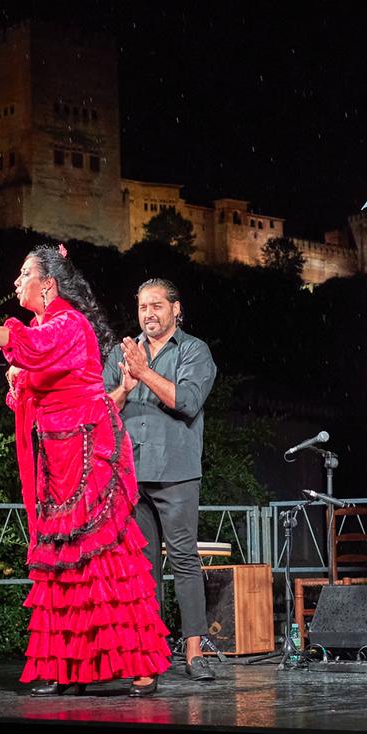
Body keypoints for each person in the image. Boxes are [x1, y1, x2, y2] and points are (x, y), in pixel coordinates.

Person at [0, 243, 171, 696]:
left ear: (49, 284)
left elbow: (29, 346)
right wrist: (21, 383)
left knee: (105, 559)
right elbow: (36, 371)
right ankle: (69, 668)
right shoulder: (49, 327)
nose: (17, 282)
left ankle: (141, 663)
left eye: (24, 275)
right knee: (63, 561)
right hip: (57, 459)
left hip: (89, 454)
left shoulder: (67, 323)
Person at [105, 278, 219, 681]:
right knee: (143, 566)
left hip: (176, 472)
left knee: (185, 561)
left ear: (176, 309)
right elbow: (104, 408)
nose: (148, 314)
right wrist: (125, 384)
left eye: (156, 306)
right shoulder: (123, 353)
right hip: (132, 474)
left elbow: (186, 400)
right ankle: (148, 655)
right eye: (142, 307)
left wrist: (144, 372)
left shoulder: (193, 351)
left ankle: (194, 651)